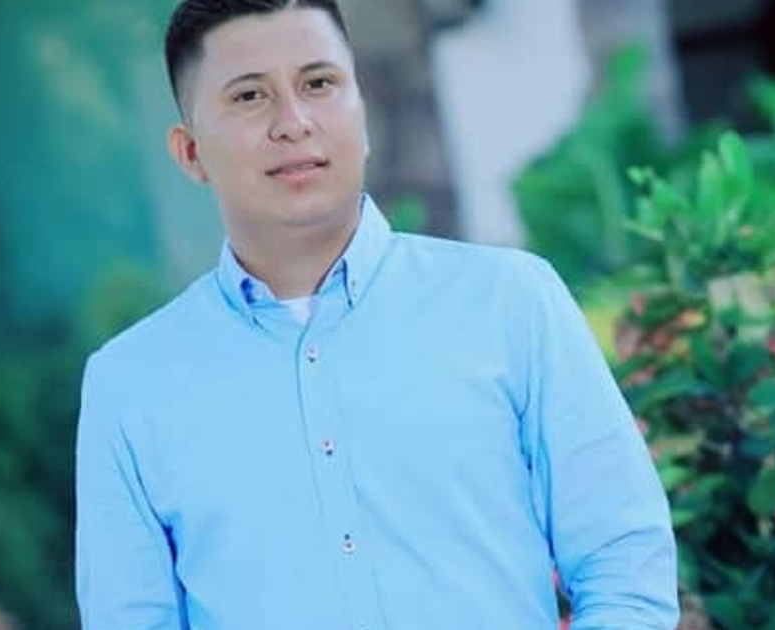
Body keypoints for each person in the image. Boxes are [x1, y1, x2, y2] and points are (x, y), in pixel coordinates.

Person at [74, 1, 679, 629]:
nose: (294, 121)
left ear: (361, 112)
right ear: (191, 152)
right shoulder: (130, 384)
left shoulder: (512, 304)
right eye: (250, 96)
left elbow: (624, 559)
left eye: (319, 83)